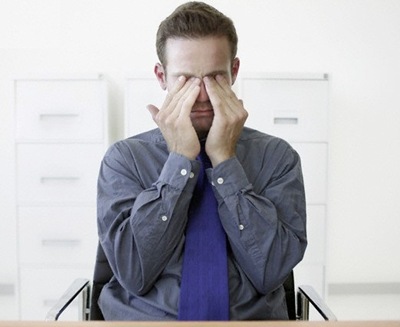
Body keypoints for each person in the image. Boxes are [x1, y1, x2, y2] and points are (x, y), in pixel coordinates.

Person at [97, 1, 307, 321]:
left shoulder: (278, 158)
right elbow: (134, 273)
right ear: (161, 76)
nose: (203, 96)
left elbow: (271, 271)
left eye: (214, 78)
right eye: (186, 80)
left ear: (234, 72)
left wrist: (225, 161)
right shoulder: (124, 159)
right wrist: (180, 160)